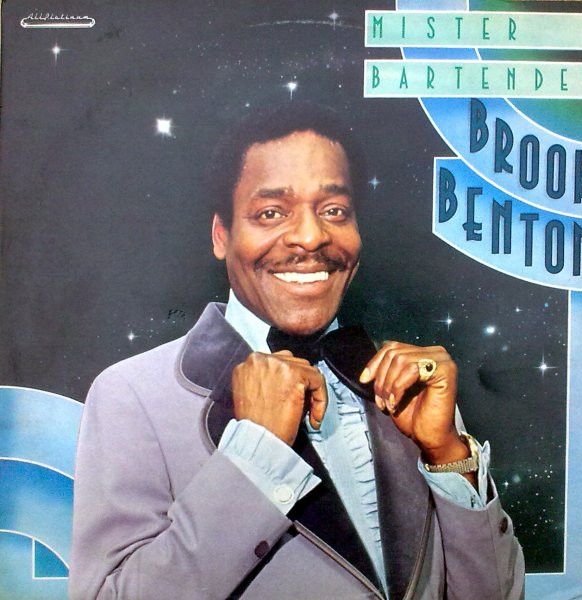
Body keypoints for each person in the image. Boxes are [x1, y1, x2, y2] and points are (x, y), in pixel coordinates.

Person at [69, 102, 525, 599]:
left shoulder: (412, 387)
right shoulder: (133, 395)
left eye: (334, 211)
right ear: (222, 235)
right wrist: (256, 452)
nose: (310, 237)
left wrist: (448, 456)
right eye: (271, 213)